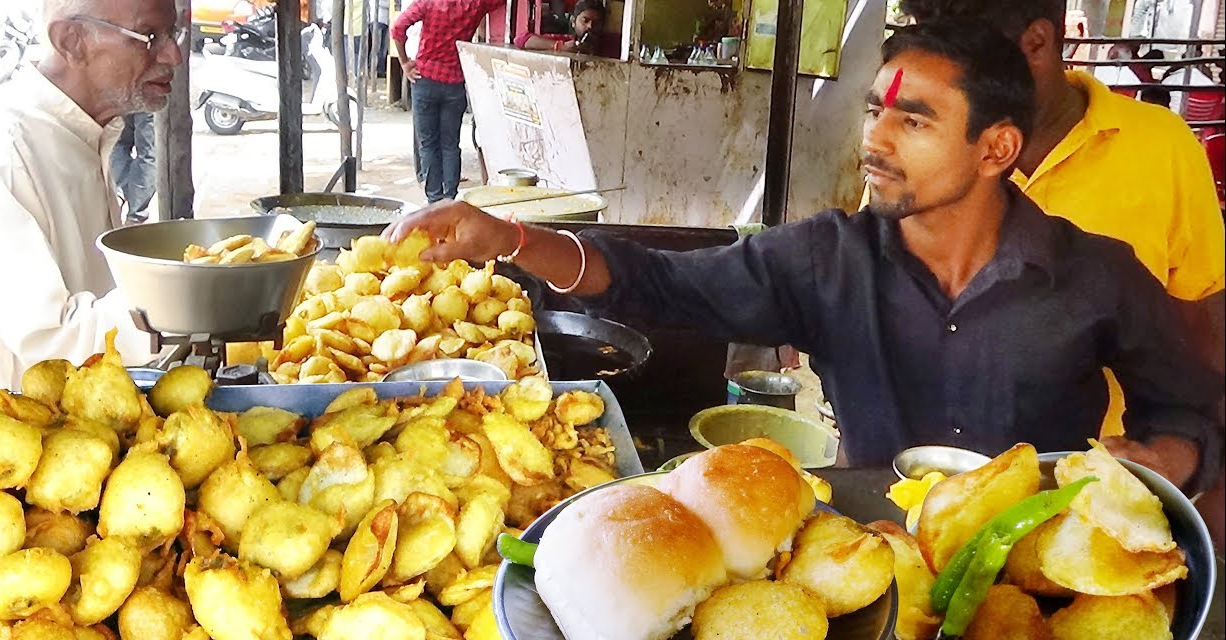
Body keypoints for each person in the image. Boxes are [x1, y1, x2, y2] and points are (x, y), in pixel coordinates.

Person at [388, 21, 1224, 495]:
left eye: (915, 121)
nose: (874, 141)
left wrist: (1170, 458)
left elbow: (1190, 407)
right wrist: (513, 240)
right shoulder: (828, 261)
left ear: (996, 147)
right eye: (873, 113)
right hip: (872, 565)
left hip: (1035, 567)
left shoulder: (1096, 277)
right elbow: (657, 281)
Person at [900, 0, 1226, 550]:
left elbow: (1207, 331)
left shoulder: (1162, 149)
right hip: (934, 496)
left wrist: (1209, 486)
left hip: (1096, 507)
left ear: (1037, 43)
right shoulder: (924, 141)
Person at [0, 0, 182, 391]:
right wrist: (195, 295)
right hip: (28, 435)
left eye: (173, 35)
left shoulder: (87, 132)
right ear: (71, 41)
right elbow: (49, 341)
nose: (173, 54)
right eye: (150, 37)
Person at [392, 0, 503, 203]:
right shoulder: (476, 4)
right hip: (455, 82)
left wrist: (405, 63)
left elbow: (397, 28)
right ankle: (450, 197)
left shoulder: (428, 2)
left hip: (424, 79)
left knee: (428, 144)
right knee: (451, 144)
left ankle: (434, 199)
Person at [110, 112, 156, 224]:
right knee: (148, 154)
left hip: (123, 97)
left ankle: (118, 194)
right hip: (151, 99)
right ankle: (135, 216)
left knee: (120, 144)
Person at [514, 0, 606, 54]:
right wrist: (560, 46)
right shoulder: (568, 42)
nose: (590, 26)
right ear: (573, 22)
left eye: (597, 23)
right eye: (585, 21)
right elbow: (521, 40)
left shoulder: (615, 43)